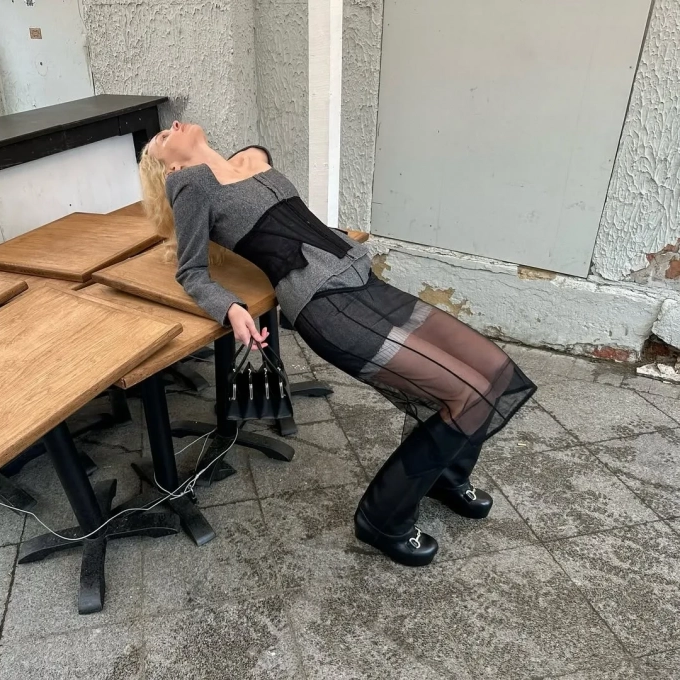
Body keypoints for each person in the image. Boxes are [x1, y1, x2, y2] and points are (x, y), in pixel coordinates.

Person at [139, 121, 536, 567]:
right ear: (169, 168)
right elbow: (191, 271)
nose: (171, 126)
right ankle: (381, 520)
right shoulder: (189, 184)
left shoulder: (252, 157)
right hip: (327, 305)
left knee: (496, 370)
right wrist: (230, 308)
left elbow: (275, 206)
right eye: (160, 138)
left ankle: (445, 476)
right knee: (466, 393)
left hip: (365, 282)